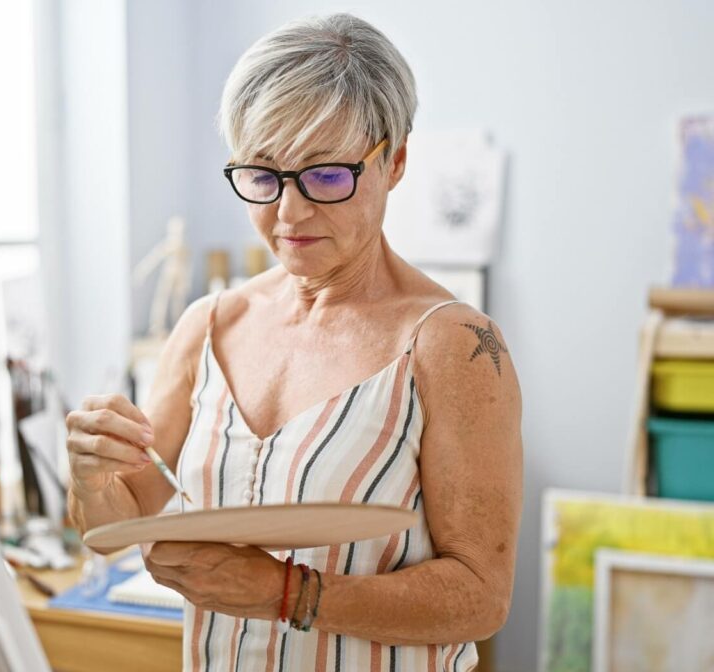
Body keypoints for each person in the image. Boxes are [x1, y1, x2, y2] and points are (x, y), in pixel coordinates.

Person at [66, 13, 522, 671]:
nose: (288, 214)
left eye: (326, 176)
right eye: (261, 175)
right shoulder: (209, 326)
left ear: (393, 161)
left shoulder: (455, 345)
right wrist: (90, 474)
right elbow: (113, 527)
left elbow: (482, 598)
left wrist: (285, 594)